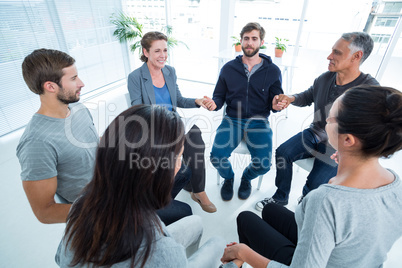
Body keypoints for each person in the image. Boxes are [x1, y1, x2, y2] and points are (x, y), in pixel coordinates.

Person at [221, 85, 402, 267]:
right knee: (270, 210)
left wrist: (242, 252)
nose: (326, 121)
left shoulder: (326, 200)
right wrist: (346, 155)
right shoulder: (396, 184)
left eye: (331, 118)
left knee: (245, 218)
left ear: (348, 140)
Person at [56, 105, 225, 268]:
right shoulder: (165, 255)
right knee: (219, 244)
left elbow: (59, 257)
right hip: (162, 254)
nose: (179, 165)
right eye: (179, 157)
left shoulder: (81, 202)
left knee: (196, 222)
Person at [255, 31, 380, 210]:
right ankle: (280, 197)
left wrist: (353, 151)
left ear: (357, 56)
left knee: (315, 185)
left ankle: (305, 205)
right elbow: (307, 96)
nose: (329, 56)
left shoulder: (370, 89)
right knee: (283, 153)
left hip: (339, 145)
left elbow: (376, 128)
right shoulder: (325, 78)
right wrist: (290, 98)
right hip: (316, 132)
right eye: (332, 51)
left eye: (337, 52)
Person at [127, 31, 216, 213]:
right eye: (157, 51)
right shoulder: (136, 77)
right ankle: (174, 191)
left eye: (165, 50)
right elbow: (138, 110)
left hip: (174, 121)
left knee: (196, 139)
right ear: (146, 52)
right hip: (154, 126)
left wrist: (197, 101)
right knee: (177, 154)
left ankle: (198, 191)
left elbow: (178, 100)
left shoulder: (170, 71)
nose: (163, 55)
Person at [16, 48, 98, 224]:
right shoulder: (36, 142)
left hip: (115, 194)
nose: (81, 83)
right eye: (73, 79)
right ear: (51, 86)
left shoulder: (78, 109)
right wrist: (103, 211)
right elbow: (45, 212)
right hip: (94, 219)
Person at [208, 22, 283, 201]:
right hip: (232, 119)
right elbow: (218, 97)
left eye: (254, 39)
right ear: (241, 41)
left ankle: (246, 178)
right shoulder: (228, 69)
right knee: (217, 157)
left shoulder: (273, 71)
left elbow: (276, 100)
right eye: (246, 39)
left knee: (264, 164)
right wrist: (213, 104)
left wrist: (277, 105)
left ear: (261, 42)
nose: (249, 43)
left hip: (259, 121)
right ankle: (229, 178)